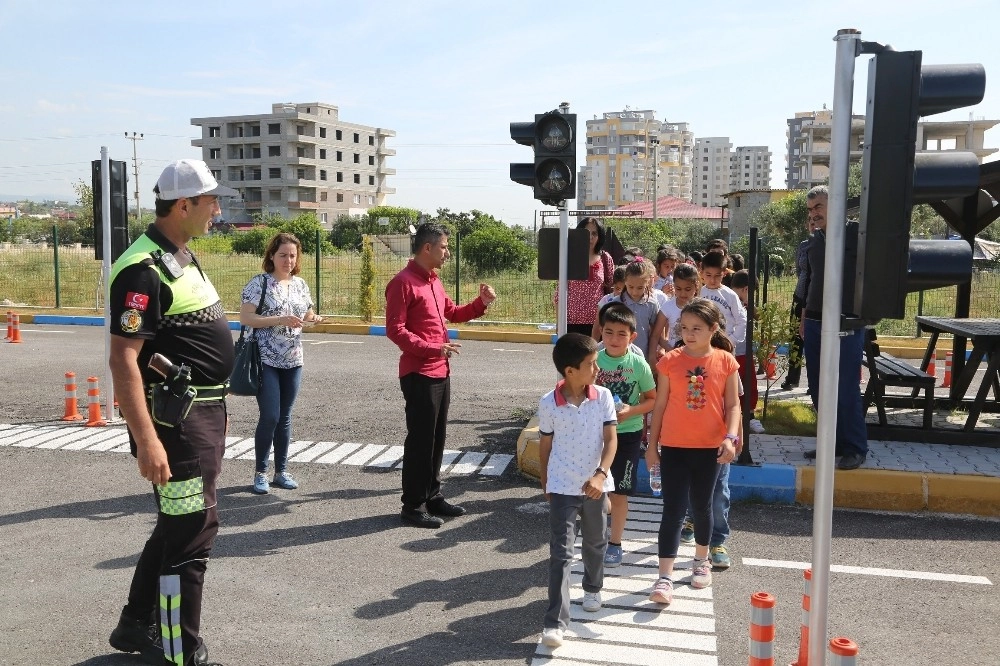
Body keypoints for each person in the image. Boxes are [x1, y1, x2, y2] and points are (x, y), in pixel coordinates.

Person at [107, 159, 235, 666]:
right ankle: (179, 647)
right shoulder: (143, 268)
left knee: (176, 525)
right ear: (184, 206)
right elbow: (123, 357)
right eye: (211, 202)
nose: (217, 210)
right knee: (192, 531)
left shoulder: (178, 255)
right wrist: (149, 440)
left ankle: (135, 624)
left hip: (200, 418)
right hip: (176, 426)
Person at [385, 222, 497, 528]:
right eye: (444, 246)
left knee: (436, 438)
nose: (447, 252)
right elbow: (395, 331)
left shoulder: (433, 281)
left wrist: (482, 303)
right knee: (420, 440)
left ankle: (433, 496)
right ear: (427, 248)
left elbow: (453, 312)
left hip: (440, 370)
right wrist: (434, 349)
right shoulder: (403, 282)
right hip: (419, 372)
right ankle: (412, 505)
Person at [645, 300, 741, 605]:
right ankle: (664, 577)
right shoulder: (669, 361)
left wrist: (731, 438)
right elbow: (659, 406)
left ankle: (701, 561)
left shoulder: (726, 361)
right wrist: (652, 446)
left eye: (696, 328)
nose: (688, 333)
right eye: (683, 328)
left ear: (713, 329)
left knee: (702, 507)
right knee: (672, 510)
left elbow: (733, 406)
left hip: (710, 448)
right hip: (673, 447)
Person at [537, 333, 617, 648]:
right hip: (562, 487)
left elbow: (611, 441)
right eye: (591, 364)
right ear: (570, 371)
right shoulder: (548, 403)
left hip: (597, 486)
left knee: (596, 542)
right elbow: (545, 446)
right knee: (561, 553)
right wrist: (546, 482)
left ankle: (593, 588)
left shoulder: (604, 397)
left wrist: (600, 474)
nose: (597, 369)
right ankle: (555, 622)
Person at [239, 232, 323, 495]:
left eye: (293, 255)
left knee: (285, 418)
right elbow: (246, 318)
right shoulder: (259, 284)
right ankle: (260, 472)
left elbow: (306, 313)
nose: (288, 260)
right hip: (265, 358)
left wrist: (314, 318)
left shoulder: (300, 285)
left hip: (293, 358)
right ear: (272, 256)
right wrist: (278, 320)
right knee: (271, 415)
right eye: (283, 255)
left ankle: (281, 471)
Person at [800, 185, 868, 470]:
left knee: (845, 386)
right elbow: (809, 280)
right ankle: (833, 443)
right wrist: (803, 318)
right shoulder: (814, 241)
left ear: (835, 206)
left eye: (819, 207)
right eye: (811, 209)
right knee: (817, 386)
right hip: (815, 320)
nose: (814, 214)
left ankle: (855, 447)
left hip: (846, 320)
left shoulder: (857, 234)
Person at [595, 303, 656, 568]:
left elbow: (652, 400)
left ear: (633, 336)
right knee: (594, 490)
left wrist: (631, 411)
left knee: (620, 493)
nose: (614, 339)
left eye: (622, 334)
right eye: (609, 332)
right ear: (601, 333)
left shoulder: (639, 364)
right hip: (594, 435)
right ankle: (595, 537)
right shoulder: (593, 360)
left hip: (628, 436)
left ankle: (615, 543)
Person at [592, 257, 666, 368]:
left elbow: (658, 331)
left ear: (647, 283)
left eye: (640, 287)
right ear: (625, 281)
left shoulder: (652, 304)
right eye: (631, 287)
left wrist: (659, 350)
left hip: (642, 357)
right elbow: (601, 328)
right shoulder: (616, 303)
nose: (635, 291)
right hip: (615, 356)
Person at [564, 216, 615, 337]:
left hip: (598, 322)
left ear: (599, 236)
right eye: (587, 233)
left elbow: (612, 289)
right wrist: (559, 322)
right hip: (571, 322)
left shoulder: (605, 258)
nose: (590, 237)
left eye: (594, 233)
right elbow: (559, 294)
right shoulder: (569, 258)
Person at [782, 217, 816, 390]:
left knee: (812, 340)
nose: (812, 224)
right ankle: (792, 378)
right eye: (809, 222)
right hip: (799, 295)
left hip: (815, 298)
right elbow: (800, 269)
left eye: (815, 222)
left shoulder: (825, 245)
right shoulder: (803, 245)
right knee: (795, 339)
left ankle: (813, 382)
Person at [660, 263, 699, 349]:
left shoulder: (702, 308)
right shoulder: (667, 307)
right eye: (678, 289)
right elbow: (656, 335)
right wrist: (671, 351)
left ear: (696, 286)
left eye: (687, 289)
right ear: (674, 285)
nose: (683, 293)